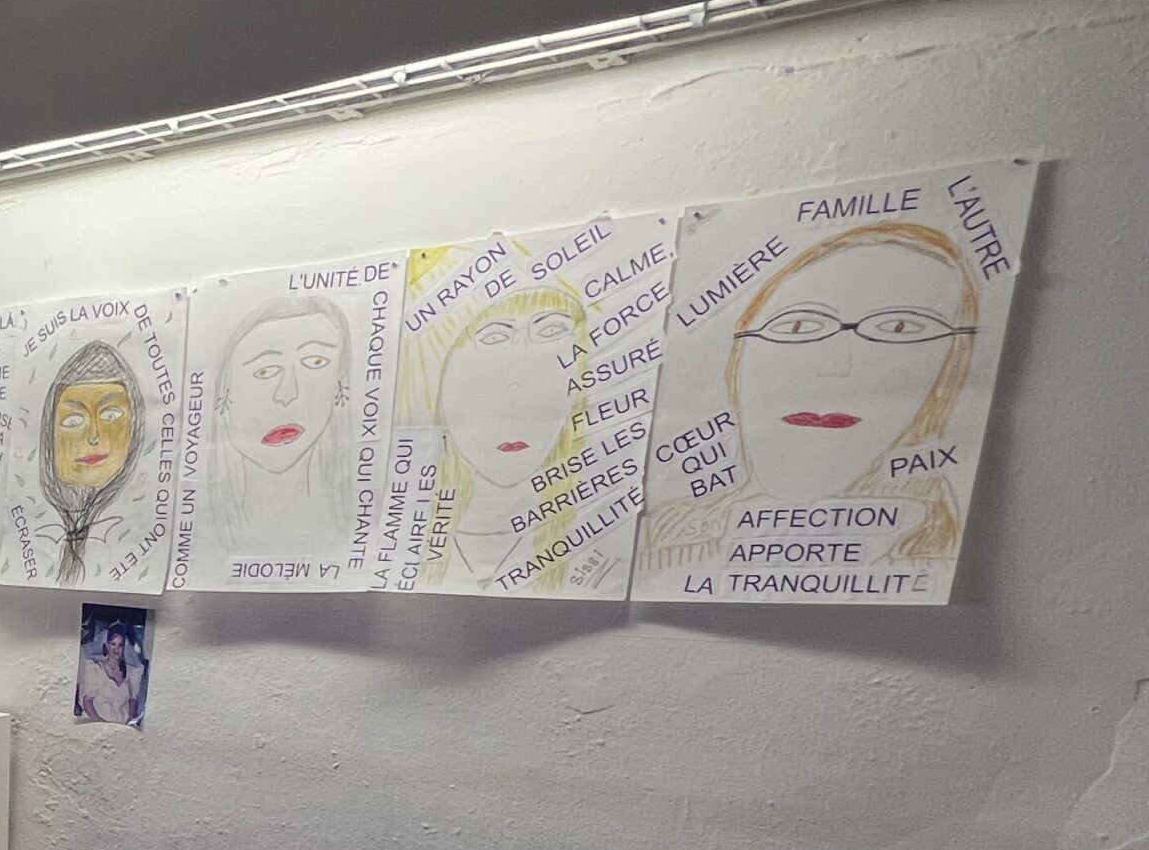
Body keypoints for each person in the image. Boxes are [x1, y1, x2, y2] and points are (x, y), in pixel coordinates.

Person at [644, 219, 982, 569]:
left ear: (951, 365)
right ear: (737, 361)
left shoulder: (942, 552)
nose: (835, 365)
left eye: (898, 328)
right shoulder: (664, 538)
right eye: (799, 326)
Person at [399, 249, 592, 593]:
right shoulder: (406, 539)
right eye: (494, 337)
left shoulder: (594, 533)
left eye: (551, 332)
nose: (519, 377)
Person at [210, 296, 352, 561]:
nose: (288, 393)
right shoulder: (214, 535)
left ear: (339, 382)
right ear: (224, 392)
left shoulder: (343, 527)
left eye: (315, 362)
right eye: (265, 371)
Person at [36, 338, 144, 583]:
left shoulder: (130, 533)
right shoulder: (44, 535)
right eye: (73, 421)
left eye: (111, 415)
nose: (94, 436)